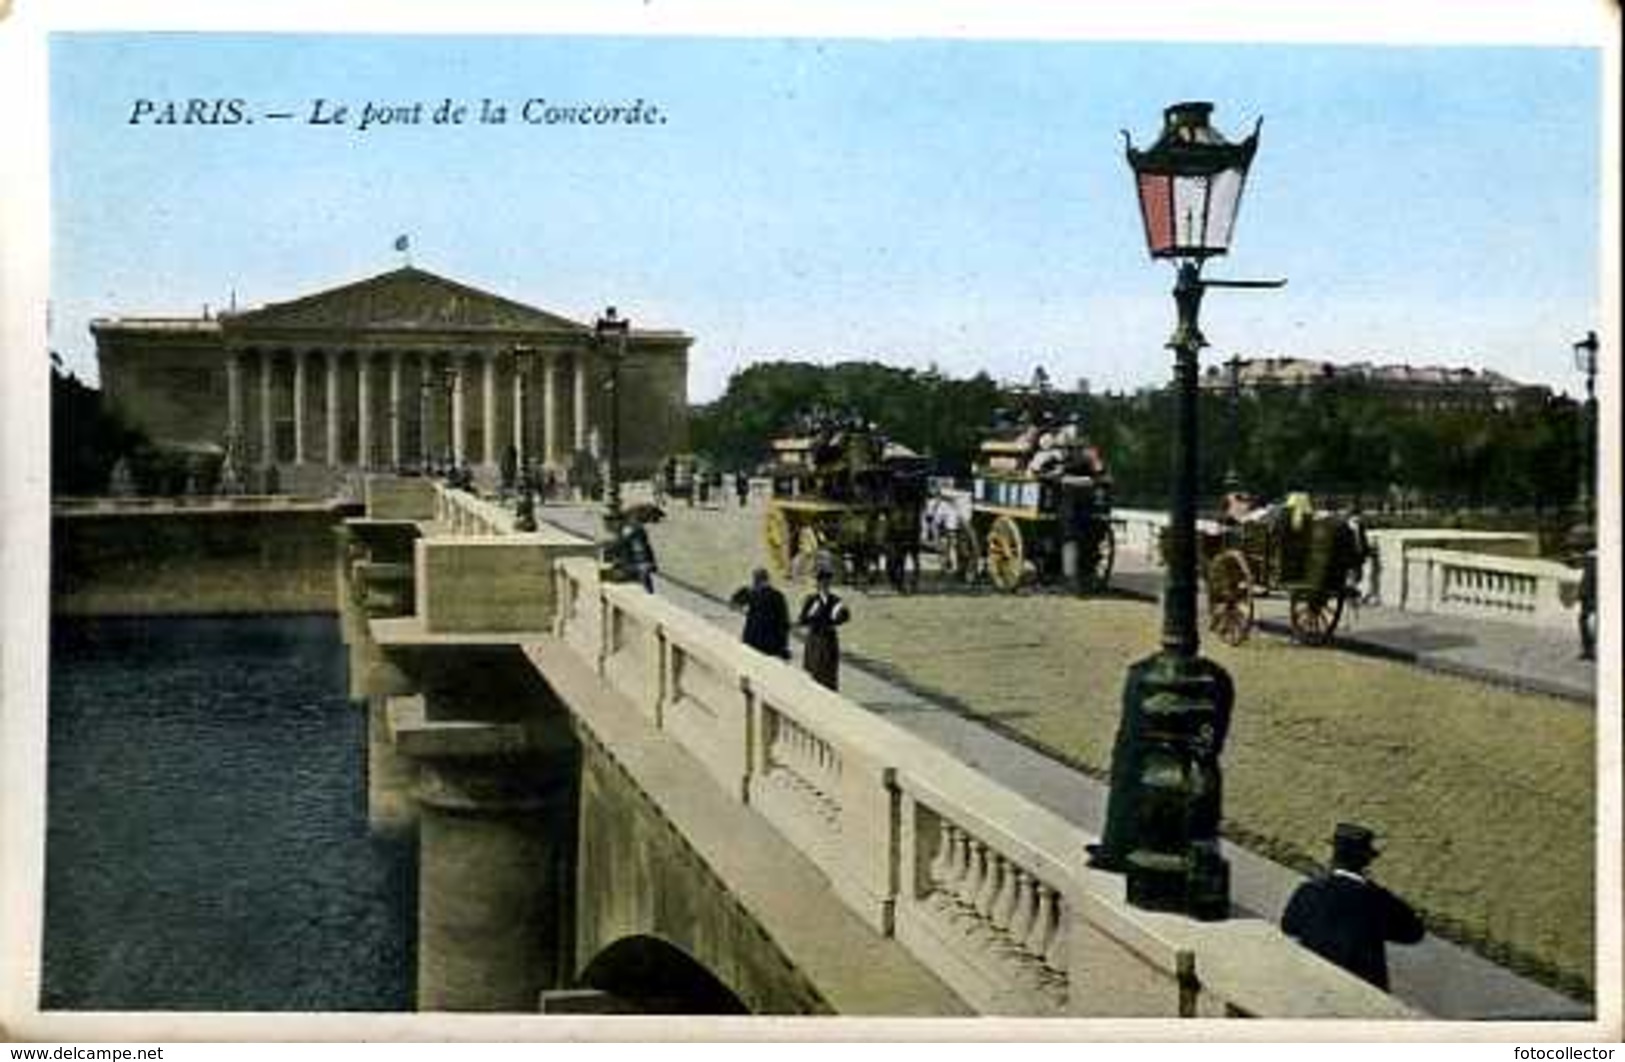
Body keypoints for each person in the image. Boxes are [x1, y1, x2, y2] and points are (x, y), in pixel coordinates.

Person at [1280, 823, 1425, 991]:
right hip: (1365, 990)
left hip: (1313, 983)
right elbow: (1414, 933)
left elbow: (1289, 926)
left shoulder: (1309, 890)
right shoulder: (1379, 899)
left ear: (1334, 857)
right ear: (1365, 862)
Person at [798, 560, 850, 690]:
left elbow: (845, 617)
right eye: (823, 581)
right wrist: (813, 614)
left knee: (830, 673)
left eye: (828, 582)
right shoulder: (812, 599)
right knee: (815, 671)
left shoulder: (835, 600)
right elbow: (803, 620)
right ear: (819, 583)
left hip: (829, 638)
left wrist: (841, 615)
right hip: (815, 638)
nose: (826, 584)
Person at [730, 568, 791, 660]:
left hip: (753, 640)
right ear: (767, 579)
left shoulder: (752, 594)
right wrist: (783, 645)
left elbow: (733, 604)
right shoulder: (777, 596)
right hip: (769, 644)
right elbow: (784, 622)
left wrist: (742, 592)